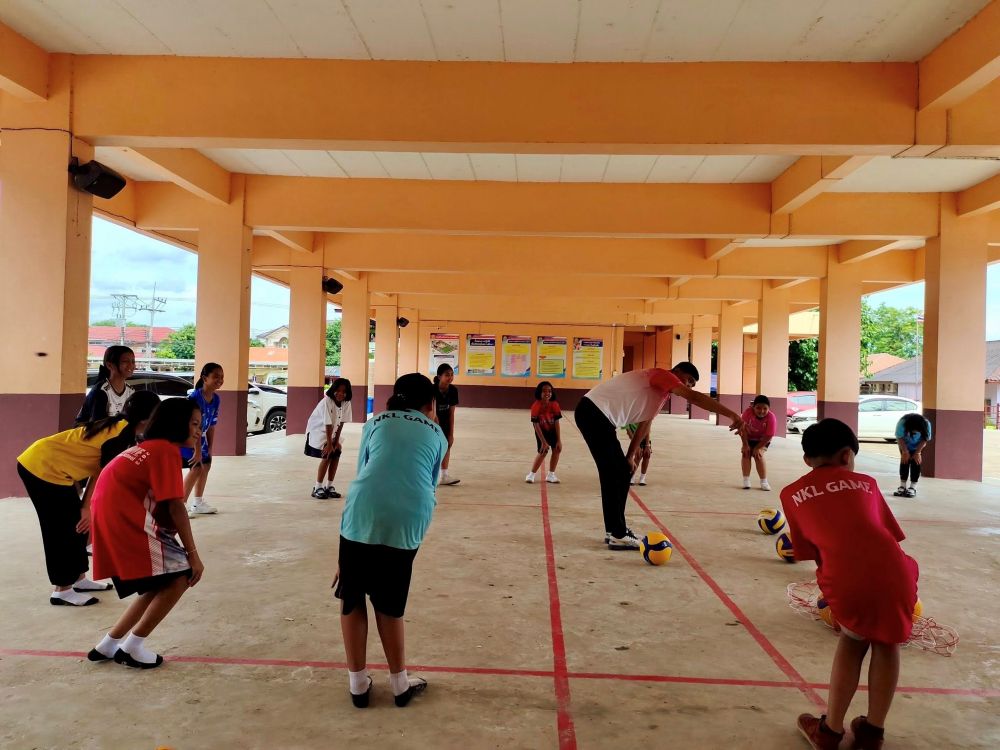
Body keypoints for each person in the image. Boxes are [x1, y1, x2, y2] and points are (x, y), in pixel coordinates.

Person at [780, 419, 918, 750]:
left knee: (852, 642)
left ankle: (830, 731)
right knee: (887, 644)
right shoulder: (867, 483)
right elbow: (889, 536)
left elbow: (809, 552)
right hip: (896, 575)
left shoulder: (791, 493)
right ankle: (872, 732)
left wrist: (835, 590)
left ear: (807, 460)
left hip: (846, 579)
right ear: (847, 456)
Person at [333, 373, 448, 708]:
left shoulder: (375, 422)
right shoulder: (437, 434)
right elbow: (429, 484)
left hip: (363, 511)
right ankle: (399, 684)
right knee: (389, 602)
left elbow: (364, 471)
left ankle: (358, 685)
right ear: (430, 404)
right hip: (409, 516)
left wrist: (343, 556)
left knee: (352, 598)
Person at [87, 398, 206, 669]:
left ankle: (109, 643)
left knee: (160, 581)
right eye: (194, 424)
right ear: (177, 423)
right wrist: (193, 554)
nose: (199, 431)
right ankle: (132, 647)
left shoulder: (148, 448)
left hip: (111, 517)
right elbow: (175, 506)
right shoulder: (165, 451)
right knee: (182, 574)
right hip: (125, 519)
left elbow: (164, 504)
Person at [574, 364, 744, 550]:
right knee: (617, 474)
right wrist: (732, 414)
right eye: (689, 381)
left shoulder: (661, 395)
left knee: (619, 472)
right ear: (678, 372)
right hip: (594, 413)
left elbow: (644, 424)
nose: (688, 386)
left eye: (692, 384)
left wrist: (630, 456)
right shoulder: (662, 375)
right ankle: (618, 533)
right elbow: (694, 397)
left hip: (596, 416)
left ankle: (614, 531)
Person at [16, 410, 144, 605]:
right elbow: (102, 474)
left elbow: (97, 469)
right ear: (145, 419)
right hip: (40, 467)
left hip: (57, 470)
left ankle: (79, 578)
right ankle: (62, 590)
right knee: (60, 530)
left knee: (78, 524)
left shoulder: (123, 428)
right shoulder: (119, 436)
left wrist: (85, 507)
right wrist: (86, 507)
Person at [182, 362, 224, 517]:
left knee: (206, 465)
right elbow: (195, 426)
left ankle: (198, 503)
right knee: (196, 467)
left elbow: (211, 425)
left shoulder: (216, 399)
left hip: (200, 437)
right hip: (188, 436)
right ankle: (181, 505)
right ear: (205, 378)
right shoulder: (195, 398)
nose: (220, 380)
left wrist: (210, 447)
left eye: (222, 377)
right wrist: (198, 450)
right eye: (216, 377)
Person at [305, 378, 354, 499]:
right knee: (328, 453)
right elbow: (327, 423)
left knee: (337, 450)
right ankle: (317, 487)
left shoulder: (346, 403)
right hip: (318, 431)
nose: (340, 394)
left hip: (332, 432)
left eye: (344, 391)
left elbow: (341, 423)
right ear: (333, 390)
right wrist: (329, 444)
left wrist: (336, 442)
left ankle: (329, 486)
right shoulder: (327, 401)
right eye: (338, 390)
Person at [76, 345, 136, 423]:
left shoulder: (131, 391)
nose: (131, 365)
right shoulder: (100, 391)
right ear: (109, 365)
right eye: (125, 361)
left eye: (133, 361)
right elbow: (97, 426)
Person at [526, 381, 563, 484]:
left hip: (552, 430)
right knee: (543, 451)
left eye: (549, 391)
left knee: (557, 449)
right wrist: (543, 442)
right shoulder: (536, 406)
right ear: (539, 392)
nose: (547, 393)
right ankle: (531, 474)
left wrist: (559, 440)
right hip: (541, 431)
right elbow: (536, 424)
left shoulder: (555, 404)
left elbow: (557, 422)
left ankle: (551, 475)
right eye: (544, 391)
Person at [431, 363, 460, 486]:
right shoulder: (432, 389)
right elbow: (432, 412)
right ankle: (430, 476)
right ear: (439, 376)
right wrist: (437, 430)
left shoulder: (453, 390)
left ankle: (444, 476)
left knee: (447, 445)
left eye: (452, 375)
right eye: (447, 375)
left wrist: (450, 434)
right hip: (431, 422)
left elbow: (451, 413)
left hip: (445, 422)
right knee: (433, 447)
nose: (450, 377)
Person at [740, 395, 777, 491]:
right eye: (758, 408)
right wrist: (745, 445)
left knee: (758, 456)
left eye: (765, 408)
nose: (761, 411)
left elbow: (769, 435)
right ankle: (746, 480)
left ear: (769, 408)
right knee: (746, 454)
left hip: (763, 440)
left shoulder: (771, 417)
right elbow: (742, 430)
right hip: (748, 438)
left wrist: (758, 448)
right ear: (753, 407)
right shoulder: (747, 413)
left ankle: (764, 481)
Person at [893, 413, 931, 498]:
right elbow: (899, 437)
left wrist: (917, 453)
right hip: (904, 445)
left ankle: (912, 487)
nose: (915, 432)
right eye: (913, 430)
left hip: (918, 446)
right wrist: (905, 451)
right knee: (904, 461)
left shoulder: (926, 424)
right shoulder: (902, 422)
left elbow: (925, 439)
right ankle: (902, 486)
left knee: (916, 463)